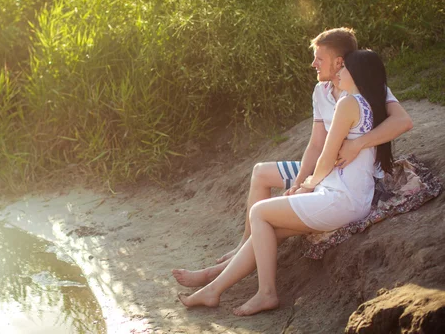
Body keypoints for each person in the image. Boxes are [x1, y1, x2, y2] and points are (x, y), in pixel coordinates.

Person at [172, 28, 412, 293]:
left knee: (268, 214)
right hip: (327, 166)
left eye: (319, 58)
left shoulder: (364, 84)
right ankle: (242, 248)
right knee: (261, 173)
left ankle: (223, 275)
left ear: (339, 61)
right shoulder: (321, 91)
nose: (313, 64)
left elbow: (402, 121)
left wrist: (357, 144)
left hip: (343, 172)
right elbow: (316, 145)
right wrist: (300, 183)